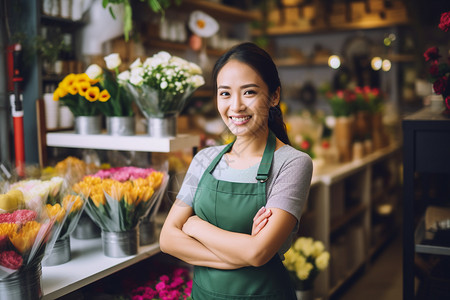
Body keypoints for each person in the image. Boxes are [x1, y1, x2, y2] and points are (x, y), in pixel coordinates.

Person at [160, 42, 313, 299]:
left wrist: (195, 226)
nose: (236, 106)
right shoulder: (204, 159)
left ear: (274, 96)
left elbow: (258, 252)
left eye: (249, 92)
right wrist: (242, 254)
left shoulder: (293, 163)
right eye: (225, 93)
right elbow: (167, 239)